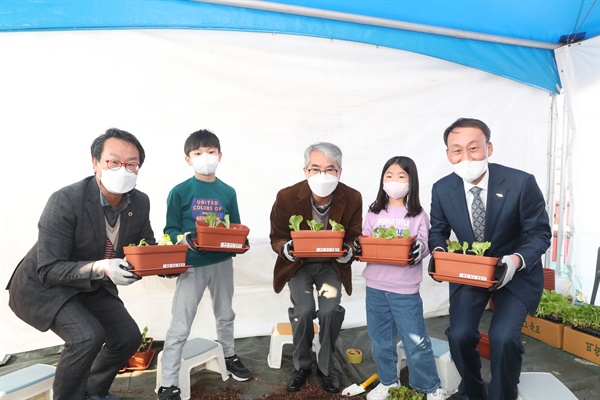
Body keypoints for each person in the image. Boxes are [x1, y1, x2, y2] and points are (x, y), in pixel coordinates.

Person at [6, 128, 154, 400]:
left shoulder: (139, 202)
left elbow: (147, 246)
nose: (123, 169)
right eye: (113, 162)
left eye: (131, 163)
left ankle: (92, 392)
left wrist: (177, 256)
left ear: (139, 168)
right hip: (44, 286)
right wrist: (102, 268)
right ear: (95, 162)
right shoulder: (65, 201)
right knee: (87, 337)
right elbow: (49, 268)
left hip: (90, 285)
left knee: (128, 337)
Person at [428, 118, 551, 400]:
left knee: (504, 337)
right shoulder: (442, 188)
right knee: (459, 335)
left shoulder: (521, 183)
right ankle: (472, 390)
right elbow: (438, 231)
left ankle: (502, 393)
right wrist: (439, 252)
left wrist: (516, 260)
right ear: (448, 154)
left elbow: (540, 233)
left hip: (516, 272)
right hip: (471, 270)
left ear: (489, 148)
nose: (466, 157)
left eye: (474, 148)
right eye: (457, 150)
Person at [157, 129, 252, 400]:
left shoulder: (227, 191)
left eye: (210, 152)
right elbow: (170, 229)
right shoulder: (179, 192)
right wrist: (186, 239)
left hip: (222, 263)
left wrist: (238, 243)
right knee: (181, 322)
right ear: (188, 159)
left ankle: (230, 356)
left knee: (225, 313)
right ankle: (169, 382)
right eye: (198, 154)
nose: (205, 158)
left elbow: (235, 227)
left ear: (220, 155)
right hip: (192, 265)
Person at [269, 142, 362, 394]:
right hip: (298, 266)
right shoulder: (286, 197)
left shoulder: (352, 197)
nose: (323, 175)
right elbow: (276, 236)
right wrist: (285, 247)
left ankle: (327, 368)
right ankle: (301, 365)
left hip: (331, 266)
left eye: (330, 169)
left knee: (329, 311)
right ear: (305, 170)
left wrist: (349, 253)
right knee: (304, 309)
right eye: (315, 168)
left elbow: (354, 236)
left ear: (339, 172)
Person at [359, 156, 446, 400]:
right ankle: (388, 381)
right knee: (380, 341)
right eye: (389, 175)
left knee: (415, 341)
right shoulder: (374, 211)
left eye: (401, 176)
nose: (394, 181)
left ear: (411, 181)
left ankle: (428, 387)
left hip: (405, 288)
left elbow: (425, 243)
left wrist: (419, 248)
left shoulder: (417, 213)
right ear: (382, 180)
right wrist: (359, 245)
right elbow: (365, 238)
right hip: (375, 285)